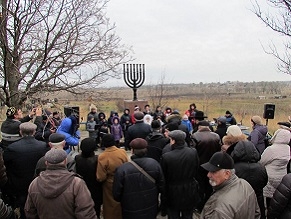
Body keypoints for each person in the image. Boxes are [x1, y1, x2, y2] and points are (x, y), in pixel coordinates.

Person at [24, 149, 97, 219]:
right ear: (65, 161)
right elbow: (85, 212)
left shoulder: (34, 183)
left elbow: (30, 212)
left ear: (46, 163)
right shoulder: (76, 183)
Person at [3, 122, 47, 218]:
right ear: (34, 132)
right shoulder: (43, 146)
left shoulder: (12, 148)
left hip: (20, 186)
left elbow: (5, 164)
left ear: (20, 132)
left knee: (24, 210)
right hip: (39, 184)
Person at [113, 138, 164, 219]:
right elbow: (161, 186)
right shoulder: (154, 163)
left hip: (130, 208)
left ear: (132, 151)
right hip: (150, 205)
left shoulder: (122, 169)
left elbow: (116, 194)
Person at [200, 152, 261, 219]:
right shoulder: (245, 184)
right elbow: (256, 213)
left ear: (227, 174)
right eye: (209, 171)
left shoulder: (219, 209)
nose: (208, 175)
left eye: (213, 172)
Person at [161, 130, 200, 219]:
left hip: (173, 190)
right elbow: (197, 167)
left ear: (173, 140)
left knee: (173, 214)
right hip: (190, 188)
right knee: (188, 214)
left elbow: (164, 175)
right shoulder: (193, 152)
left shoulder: (167, 156)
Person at [230, 140, 268, 219]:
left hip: (238, 202)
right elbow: (264, 182)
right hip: (258, 200)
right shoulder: (261, 167)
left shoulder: (233, 168)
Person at [190, 120, 221, 211]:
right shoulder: (216, 136)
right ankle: (210, 204)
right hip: (213, 165)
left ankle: (200, 206)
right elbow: (219, 150)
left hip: (200, 166)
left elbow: (192, 152)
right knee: (211, 186)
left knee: (200, 186)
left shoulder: (195, 136)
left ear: (199, 127)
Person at [96, 134, 128, 219]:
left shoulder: (102, 156)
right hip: (123, 181)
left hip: (110, 184)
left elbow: (100, 177)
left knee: (111, 206)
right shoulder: (122, 152)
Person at [260, 128, 291, 208]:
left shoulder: (271, 149)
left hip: (270, 176)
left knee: (269, 197)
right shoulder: (288, 148)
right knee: (278, 196)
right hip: (282, 175)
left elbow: (262, 162)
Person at [75, 138, 103, 219]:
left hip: (82, 187)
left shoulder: (77, 158)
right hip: (96, 188)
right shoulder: (97, 159)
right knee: (96, 209)